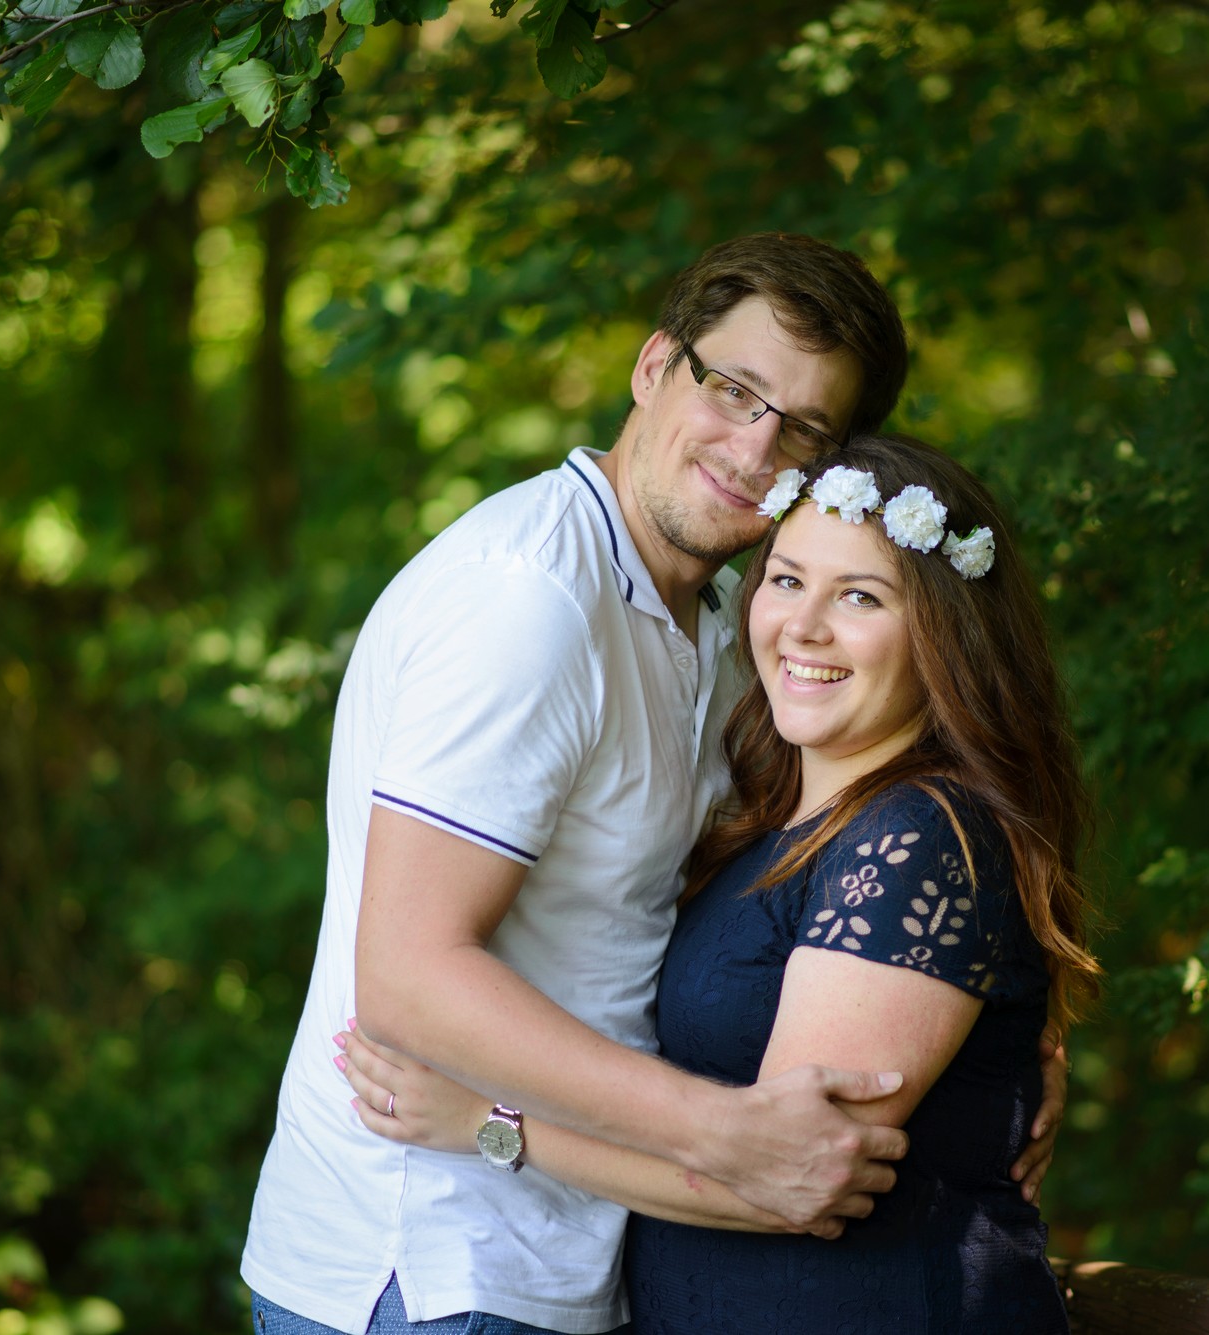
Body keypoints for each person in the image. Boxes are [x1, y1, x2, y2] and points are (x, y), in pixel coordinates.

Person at [241, 235, 1065, 1335]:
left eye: (802, 428)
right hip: (435, 1261)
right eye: (733, 388)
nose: (753, 446)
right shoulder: (529, 600)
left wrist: (988, 1049)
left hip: (583, 1253)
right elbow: (406, 974)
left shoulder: (728, 631)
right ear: (652, 366)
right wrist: (722, 1133)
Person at [341, 434, 1100, 1332]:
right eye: (787, 579)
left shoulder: (916, 838)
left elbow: (792, 1176)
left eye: (859, 595)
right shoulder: (768, 822)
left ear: (946, 634)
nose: (804, 625)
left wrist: (488, 1124)